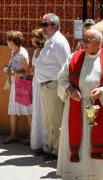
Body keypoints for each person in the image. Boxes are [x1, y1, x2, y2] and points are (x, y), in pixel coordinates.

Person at [56, 27, 103, 180]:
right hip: (76, 105)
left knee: (95, 139)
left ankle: (98, 176)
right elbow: (62, 78)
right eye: (82, 40)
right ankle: (74, 174)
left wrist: (102, 90)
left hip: (98, 106)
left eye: (87, 41)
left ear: (98, 43)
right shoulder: (74, 57)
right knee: (79, 137)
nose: (82, 43)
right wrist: (70, 89)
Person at [34, 13, 71, 159]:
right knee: (48, 119)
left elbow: (65, 65)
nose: (42, 28)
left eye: (45, 25)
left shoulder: (59, 42)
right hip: (45, 85)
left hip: (54, 85)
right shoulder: (50, 40)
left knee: (55, 119)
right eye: (42, 24)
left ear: (55, 26)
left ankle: (56, 150)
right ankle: (49, 146)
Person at [3, 31, 32, 144]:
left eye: (8, 40)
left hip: (23, 85)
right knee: (13, 110)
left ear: (13, 41)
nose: (7, 42)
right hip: (16, 84)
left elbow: (28, 72)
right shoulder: (13, 52)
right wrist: (8, 69)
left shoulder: (23, 54)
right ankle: (13, 135)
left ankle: (31, 136)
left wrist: (13, 73)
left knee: (28, 110)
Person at [29, 28, 47, 153]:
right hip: (35, 82)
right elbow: (32, 68)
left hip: (42, 82)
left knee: (43, 110)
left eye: (33, 37)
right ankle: (37, 142)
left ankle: (45, 142)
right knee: (36, 109)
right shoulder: (35, 51)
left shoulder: (45, 51)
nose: (31, 39)